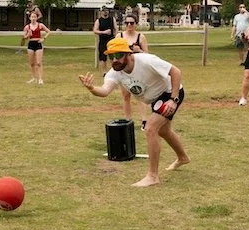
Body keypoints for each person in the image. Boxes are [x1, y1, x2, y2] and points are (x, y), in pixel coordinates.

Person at [79, 38, 190, 188]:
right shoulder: (115, 73)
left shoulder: (147, 61)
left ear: (128, 54)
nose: (114, 60)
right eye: (111, 56)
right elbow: (104, 91)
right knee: (164, 131)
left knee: (151, 128)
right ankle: (183, 157)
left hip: (170, 93)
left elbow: (175, 72)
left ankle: (153, 176)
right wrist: (92, 88)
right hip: (155, 99)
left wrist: (173, 99)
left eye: (118, 55)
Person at [22, 8, 48, 84]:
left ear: (37, 18)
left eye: (35, 17)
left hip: (38, 44)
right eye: (32, 17)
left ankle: (40, 79)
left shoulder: (40, 25)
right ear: (30, 18)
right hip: (31, 44)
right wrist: (28, 35)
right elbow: (24, 38)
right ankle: (34, 78)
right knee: (32, 63)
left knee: (39, 63)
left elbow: (48, 31)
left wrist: (43, 38)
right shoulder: (27, 27)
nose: (33, 18)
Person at [93, 5, 116, 71]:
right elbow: (95, 30)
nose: (105, 12)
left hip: (111, 40)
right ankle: (104, 72)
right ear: (101, 12)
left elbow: (115, 29)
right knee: (103, 58)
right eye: (103, 11)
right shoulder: (98, 21)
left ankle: (114, 70)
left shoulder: (112, 19)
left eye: (106, 10)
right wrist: (104, 32)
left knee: (112, 56)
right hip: (103, 41)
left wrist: (116, 37)